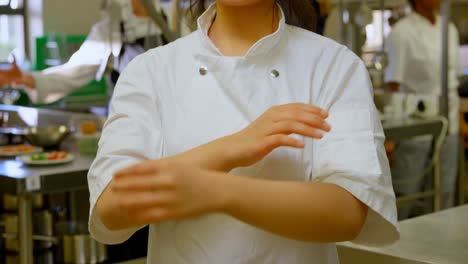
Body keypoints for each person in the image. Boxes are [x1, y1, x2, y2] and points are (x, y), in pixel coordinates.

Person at [88, 0, 399, 263]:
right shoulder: (150, 72)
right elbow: (112, 206)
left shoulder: (333, 66)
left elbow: (346, 212)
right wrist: (231, 148)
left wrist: (216, 191)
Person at [0, 0, 169, 104]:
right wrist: (26, 79)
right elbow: (71, 74)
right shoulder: (109, 29)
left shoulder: (176, 18)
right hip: (132, 124)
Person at [385, 0, 463, 219]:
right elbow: (393, 86)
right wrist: (390, 138)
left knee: (444, 192)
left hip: (449, 124)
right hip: (415, 124)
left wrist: (459, 120)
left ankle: (441, 245)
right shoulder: (402, 32)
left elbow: (451, 82)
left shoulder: (448, 27)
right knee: (406, 192)